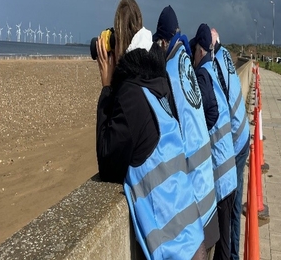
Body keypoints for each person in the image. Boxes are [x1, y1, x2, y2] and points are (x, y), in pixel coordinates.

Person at [95, 0, 207, 258]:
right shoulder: (156, 82)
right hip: (192, 235)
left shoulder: (131, 95)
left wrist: (107, 88)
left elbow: (108, 162)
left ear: (118, 43)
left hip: (174, 249)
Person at [153, 5, 219, 257]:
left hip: (195, 208)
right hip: (208, 191)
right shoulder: (188, 67)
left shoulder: (169, 74)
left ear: (161, 42)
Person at [190, 23, 237, 260]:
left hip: (221, 175)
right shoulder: (215, 69)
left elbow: (211, 115)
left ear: (199, 50)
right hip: (229, 171)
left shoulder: (203, 75)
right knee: (225, 240)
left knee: (222, 247)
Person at [211, 28, 250, 260]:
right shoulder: (226, 56)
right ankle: (233, 252)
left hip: (236, 143)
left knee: (232, 205)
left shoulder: (215, 66)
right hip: (243, 136)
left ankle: (233, 255)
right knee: (234, 205)